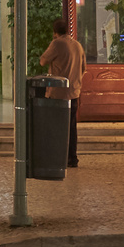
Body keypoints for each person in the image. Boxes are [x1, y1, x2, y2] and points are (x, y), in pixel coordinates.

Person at [39, 15, 88, 169]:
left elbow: (43, 61)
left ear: (55, 32)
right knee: (71, 127)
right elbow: (84, 68)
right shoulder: (78, 45)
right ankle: (72, 158)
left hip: (58, 93)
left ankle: (58, 157)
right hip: (73, 92)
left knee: (56, 126)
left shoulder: (57, 43)